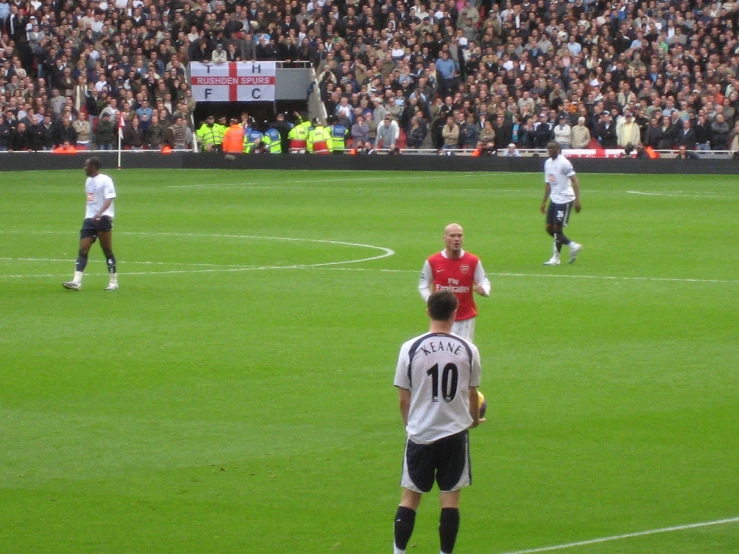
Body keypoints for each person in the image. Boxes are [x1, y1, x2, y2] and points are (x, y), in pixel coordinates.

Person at [392, 290, 484, 554]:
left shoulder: (410, 347)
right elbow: (473, 393)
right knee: (450, 500)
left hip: (420, 433)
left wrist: (411, 425)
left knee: (410, 498)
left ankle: (399, 552)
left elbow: (403, 399)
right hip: (455, 433)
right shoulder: (468, 348)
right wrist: (474, 421)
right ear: (455, 314)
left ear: (428, 311)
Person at [418, 223, 491, 342]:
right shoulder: (433, 261)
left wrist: (485, 290)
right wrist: (432, 301)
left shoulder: (472, 261)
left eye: (459, 236)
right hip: (440, 316)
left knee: (463, 352)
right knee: (440, 348)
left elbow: (484, 280)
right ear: (444, 238)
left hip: (465, 317)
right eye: (452, 236)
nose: (456, 239)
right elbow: (423, 285)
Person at [63, 157, 118, 291]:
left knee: (107, 250)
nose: (84, 167)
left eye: (86, 165)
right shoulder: (88, 181)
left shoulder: (105, 180)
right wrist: (91, 214)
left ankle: (113, 282)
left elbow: (109, 198)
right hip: (89, 219)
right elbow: (90, 199)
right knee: (83, 249)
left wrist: (100, 213)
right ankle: (77, 281)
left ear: (93, 167)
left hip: (103, 218)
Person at [541, 141, 583, 266]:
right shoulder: (547, 163)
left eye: (552, 148)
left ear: (558, 149)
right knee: (549, 228)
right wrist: (543, 202)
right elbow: (548, 184)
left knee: (557, 228)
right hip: (554, 199)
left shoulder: (564, 162)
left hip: (565, 199)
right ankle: (572, 246)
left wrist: (577, 200)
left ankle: (556, 258)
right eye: (548, 148)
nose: (550, 150)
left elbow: (575, 180)